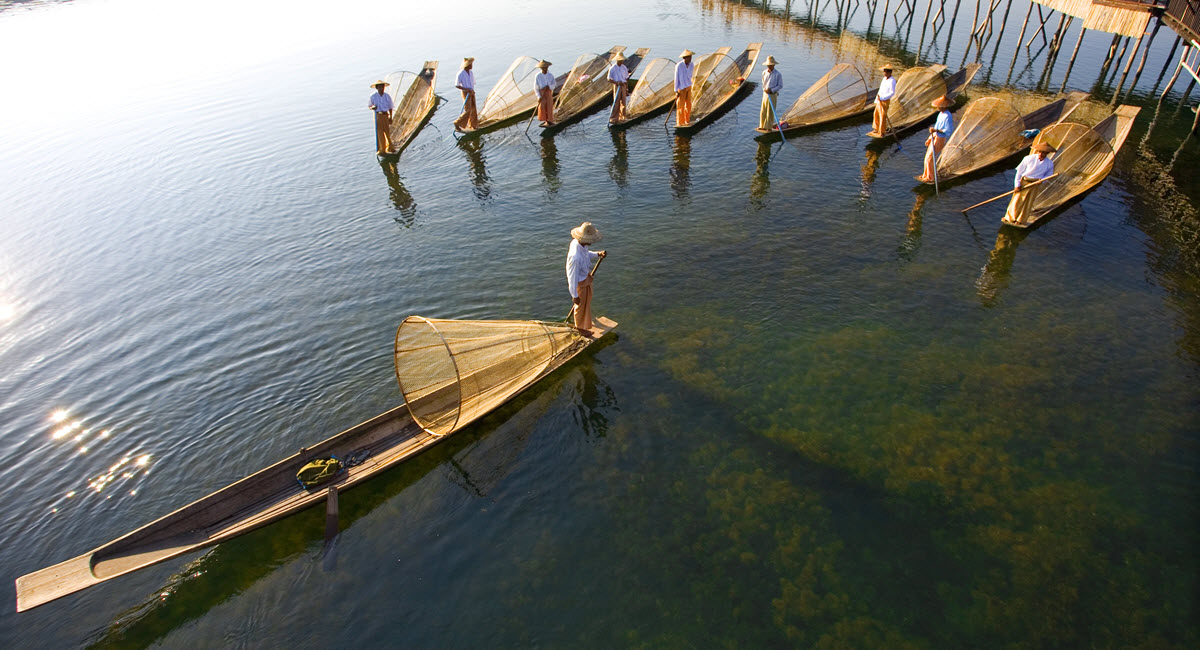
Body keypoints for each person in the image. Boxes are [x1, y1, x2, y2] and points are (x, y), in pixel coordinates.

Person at [566, 222, 606, 337]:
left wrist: (597, 254)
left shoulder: (581, 245)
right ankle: (580, 329)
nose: (592, 242)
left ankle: (584, 323)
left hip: (585, 278)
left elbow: (586, 254)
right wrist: (574, 295)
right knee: (580, 306)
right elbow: (572, 277)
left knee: (586, 302)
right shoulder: (575, 257)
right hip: (579, 283)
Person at [1003, 142, 1057, 226]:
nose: (1041, 154)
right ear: (1037, 151)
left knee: (1028, 202)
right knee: (1017, 200)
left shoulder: (1049, 163)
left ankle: (1021, 220)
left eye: (1044, 153)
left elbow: (1048, 176)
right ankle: (1010, 218)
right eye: (1040, 152)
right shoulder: (1028, 158)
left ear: (1047, 153)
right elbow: (1019, 172)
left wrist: (1042, 180)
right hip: (1024, 182)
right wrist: (1017, 185)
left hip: (1035, 184)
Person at [918, 96, 955, 183]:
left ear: (943, 106)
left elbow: (948, 130)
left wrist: (936, 130)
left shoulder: (947, 116)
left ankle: (930, 177)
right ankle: (926, 174)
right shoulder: (941, 114)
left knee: (930, 158)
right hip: (935, 136)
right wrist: (930, 137)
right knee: (927, 157)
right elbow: (937, 127)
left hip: (940, 138)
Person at [368, 80, 394, 155]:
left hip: (385, 115)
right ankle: (382, 149)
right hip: (378, 115)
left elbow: (390, 107)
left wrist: (390, 117)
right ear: (377, 88)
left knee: (387, 131)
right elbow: (370, 106)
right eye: (379, 87)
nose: (381, 88)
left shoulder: (387, 96)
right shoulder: (373, 96)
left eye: (382, 86)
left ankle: (390, 147)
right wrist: (373, 107)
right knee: (380, 132)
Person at [453, 57, 478, 132]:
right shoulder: (460, 74)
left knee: (473, 109)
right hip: (466, 92)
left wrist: (472, 90)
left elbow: (473, 83)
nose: (472, 66)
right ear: (467, 65)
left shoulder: (470, 73)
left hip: (471, 91)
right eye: (470, 64)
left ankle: (473, 125)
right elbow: (457, 85)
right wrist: (467, 90)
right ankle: (457, 123)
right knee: (468, 110)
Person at [759, 55, 783, 131]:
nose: (769, 67)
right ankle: (762, 125)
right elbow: (763, 83)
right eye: (768, 65)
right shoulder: (764, 72)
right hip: (765, 94)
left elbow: (780, 85)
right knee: (764, 109)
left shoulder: (777, 74)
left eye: (771, 65)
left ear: (774, 65)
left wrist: (772, 90)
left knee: (770, 111)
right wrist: (765, 89)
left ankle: (768, 127)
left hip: (773, 94)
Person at [872, 66, 897, 136]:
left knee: (882, 115)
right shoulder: (884, 79)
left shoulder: (892, 81)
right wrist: (876, 99)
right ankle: (876, 128)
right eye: (884, 72)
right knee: (876, 113)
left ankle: (882, 132)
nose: (885, 73)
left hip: (885, 100)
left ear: (889, 72)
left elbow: (892, 92)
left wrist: (883, 98)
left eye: (886, 72)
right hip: (879, 99)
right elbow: (881, 89)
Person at [608, 52, 630, 123]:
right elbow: (609, 79)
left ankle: (623, 117)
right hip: (617, 86)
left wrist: (626, 88)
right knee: (616, 102)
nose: (621, 61)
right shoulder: (612, 68)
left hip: (623, 85)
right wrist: (616, 82)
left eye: (622, 60)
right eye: (620, 60)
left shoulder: (624, 68)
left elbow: (626, 78)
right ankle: (614, 118)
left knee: (623, 102)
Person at [674, 50, 695, 126]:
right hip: (681, 88)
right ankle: (680, 122)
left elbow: (690, 76)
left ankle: (687, 120)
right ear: (684, 58)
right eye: (688, 57)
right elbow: (676, 78)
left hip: (688, 87)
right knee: (680, 106)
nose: (690, 59)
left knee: (688, 105)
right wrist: (676, 90)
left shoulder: (691, 65)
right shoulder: (679, 65)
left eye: (690, 57)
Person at [535, 60, 556, 127]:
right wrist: (538, 96)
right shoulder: (538, 76)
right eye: (543, 68)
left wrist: (549, 87)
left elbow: (554, 84)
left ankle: (550, 120)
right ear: (541, 68)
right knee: (543, 107)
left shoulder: (550, 75)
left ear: (547, 68)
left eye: (546, 68)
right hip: (542, 93)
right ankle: (545, 121)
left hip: (548, 92)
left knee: (549, 106)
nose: (545, 69)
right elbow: (536, 88)